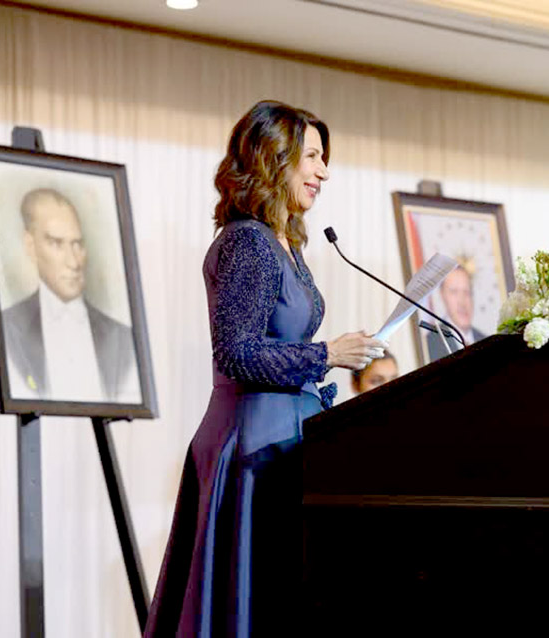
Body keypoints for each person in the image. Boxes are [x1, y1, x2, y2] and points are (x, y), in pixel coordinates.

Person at [143, 101, 386, 637]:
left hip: (281, 440)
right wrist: (326, 355)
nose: (324, 171)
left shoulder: (285, 242)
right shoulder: (248, 241)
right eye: (313, 156)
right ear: (275, 157)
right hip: (256, 447)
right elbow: (236, 352)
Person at [2, 187, 139, 403]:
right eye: (56, 243)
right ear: (30, 245)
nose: (73, 262)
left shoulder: (122, 339)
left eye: (77, 244)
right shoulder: (7, 327)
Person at [425, 265, 487, 361]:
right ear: (442, 295)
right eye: (454, 292)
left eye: (466, 292)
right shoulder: (430, 344)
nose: (462, 302)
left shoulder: (486, 341)